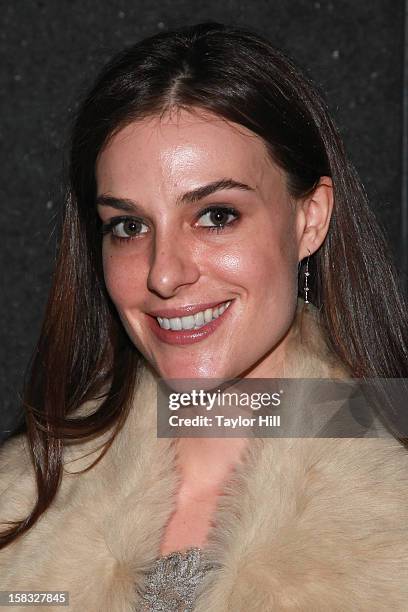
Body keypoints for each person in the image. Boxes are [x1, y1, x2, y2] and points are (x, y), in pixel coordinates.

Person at [1, 20, 408, 611]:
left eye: (216, 216)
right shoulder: (18, 504)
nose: (164, 273)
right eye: (129, 226)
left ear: (309, 219)